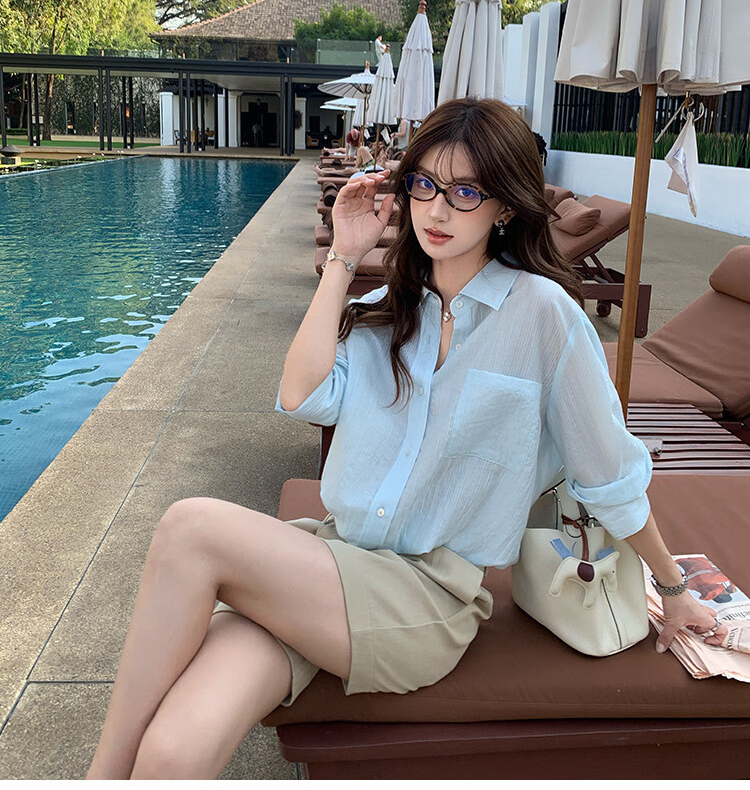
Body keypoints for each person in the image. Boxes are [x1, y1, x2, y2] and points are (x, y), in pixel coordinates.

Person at [86, 97, 726, 780]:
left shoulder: (543, 316)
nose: (437, 211)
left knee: (190, 530)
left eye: (465, 192)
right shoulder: (387, 311)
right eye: (425, 185)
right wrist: (344, 256)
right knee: (173, 750)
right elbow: (301, 395)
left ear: (504, 207)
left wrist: (673, 587)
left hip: (425, 599)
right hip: (329, 560)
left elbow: (609, 475)